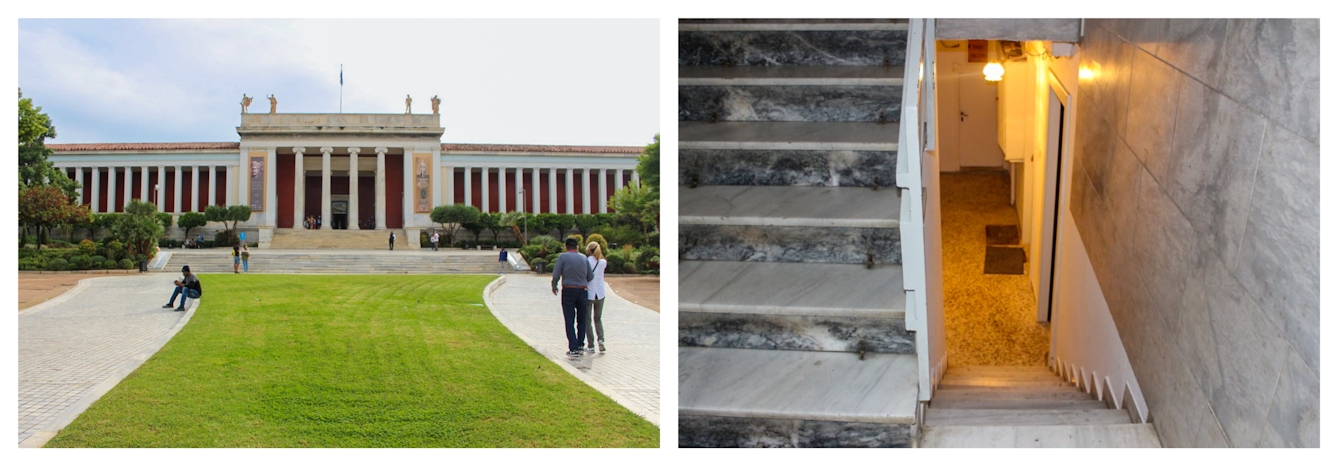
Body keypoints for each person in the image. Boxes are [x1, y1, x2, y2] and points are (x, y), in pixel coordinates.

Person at [551, 238, 593, 357]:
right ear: (577, 247)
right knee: (582, 319)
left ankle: (573, 347)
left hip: (568, 289)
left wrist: (554, 285)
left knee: (569, 319)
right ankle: (580, 344)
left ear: (566, 247)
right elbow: (590, 276)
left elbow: (555, 274)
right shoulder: (584, 258)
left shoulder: (562, 257)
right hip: (583, 290)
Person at [584, 242, 608, 353]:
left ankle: (591, 345)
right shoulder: (603, 262)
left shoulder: (587, 261)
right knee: (598, 319)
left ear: (589, 250)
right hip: (600, 294)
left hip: (589, 293)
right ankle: (601, 340)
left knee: (587, 320)